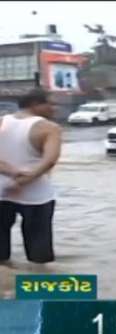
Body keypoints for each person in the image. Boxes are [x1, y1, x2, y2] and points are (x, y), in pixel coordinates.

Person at [0, 89, 62, 264]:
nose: (55, 108)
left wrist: (11, 174)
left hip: (2, 191)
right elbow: (50, 160)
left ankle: (5, 287)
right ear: (36, 104)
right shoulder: (49, 128)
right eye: (51, 104)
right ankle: (37, 289)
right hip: (36, 196)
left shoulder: (1, 121)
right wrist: (25, 179)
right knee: (39, 255)